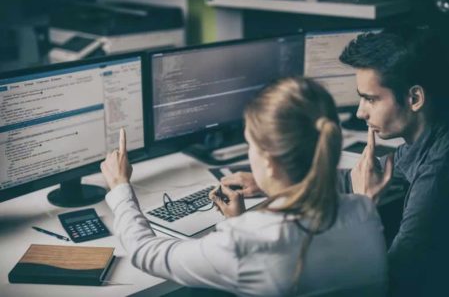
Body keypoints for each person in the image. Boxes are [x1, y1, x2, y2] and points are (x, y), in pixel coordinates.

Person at [101, 78, 387, 296]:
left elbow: (145, 253)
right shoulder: (364, 209)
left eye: (250, 145)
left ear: (270, 163)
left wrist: (119, 186)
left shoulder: (244, 241)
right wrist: (240, 222)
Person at [223, 26, 449, 296]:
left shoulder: (438, 172)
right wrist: (273, 181)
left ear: (414, 98)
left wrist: (365, 206)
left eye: (370, 99)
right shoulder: (428, 139)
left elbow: (394, 280)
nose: (360, 111)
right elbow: (356, 176)